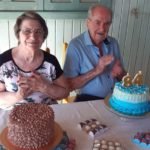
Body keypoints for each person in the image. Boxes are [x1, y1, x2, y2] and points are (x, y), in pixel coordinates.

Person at [0, 11, 69, 109]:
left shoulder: (50, 61)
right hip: (13, 116)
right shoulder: (3, 62)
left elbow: (65, 93)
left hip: (47, 114)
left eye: (38, 31)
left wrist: (44, 87)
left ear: (43, 36)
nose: (33, 37)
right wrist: (17, 96)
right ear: (18, 34)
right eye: (27, 31)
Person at [63, 4, 126, 102]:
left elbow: (123, 77)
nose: (102, 28)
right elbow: (68, 85)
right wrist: (97, 70)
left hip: (115, 99)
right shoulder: (75, 45)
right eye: (98, 22)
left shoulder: (113, 43)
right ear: (87, 22)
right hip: (87, 101)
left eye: (107, 23)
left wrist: (120, 72)